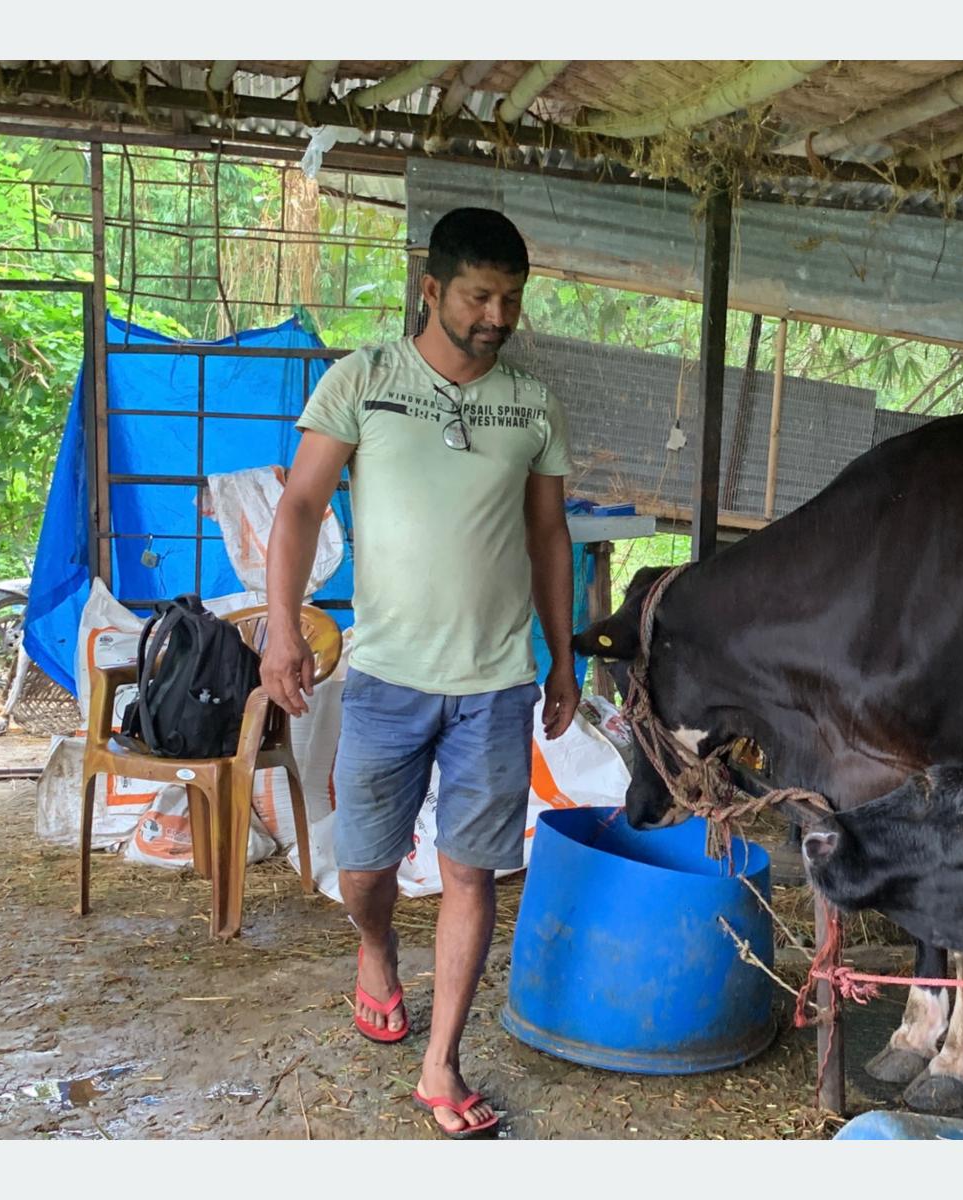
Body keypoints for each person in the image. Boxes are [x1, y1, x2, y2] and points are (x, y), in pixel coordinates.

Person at [260, 206, 578, 1139]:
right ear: (430, 290)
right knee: (364, 868)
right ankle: (374, 951)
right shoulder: (363, 380)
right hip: (388, 679)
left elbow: (549, 534)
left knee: (472, 871)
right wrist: (283, 632)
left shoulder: (533, 404)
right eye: (479, 296)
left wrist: (559, 658)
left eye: (511, 299)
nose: (496, 315)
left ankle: (441, 1066)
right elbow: (300, 508)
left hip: (494, 684)